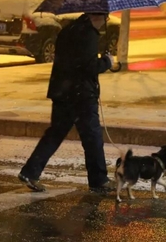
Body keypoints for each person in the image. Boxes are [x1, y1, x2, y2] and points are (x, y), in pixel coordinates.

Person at [18, 12, 116, 194]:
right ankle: (99, 180)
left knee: (54, 134)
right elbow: (88, 67)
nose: (105, 23)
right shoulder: (88, 34)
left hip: (62, 91)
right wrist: (106, 62)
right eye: (105, 18)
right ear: (97, 16)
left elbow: (71, 61)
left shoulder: (68, 30)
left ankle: (30, 171)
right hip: (81, 95)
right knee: (92, 137)